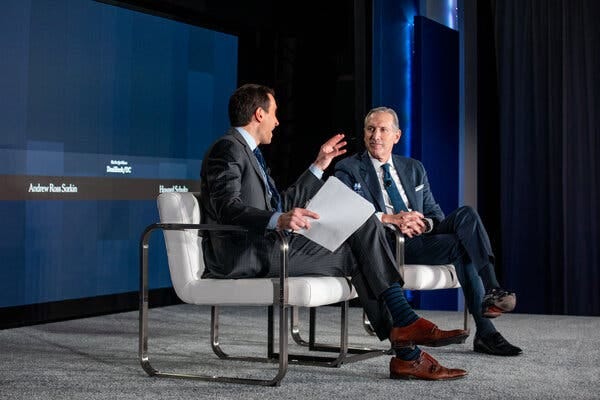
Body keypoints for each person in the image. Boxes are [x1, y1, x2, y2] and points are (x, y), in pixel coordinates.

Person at [200, 83, 469, 380]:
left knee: (360, 229)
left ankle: (407, 350)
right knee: (360, 242)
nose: (278, 122)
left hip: (268, 245)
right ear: (259, 114)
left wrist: (319, 164)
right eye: (275, 114)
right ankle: (406, 332)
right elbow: (227, 207)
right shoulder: (227, 149)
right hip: (245, 254)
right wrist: (278, 220)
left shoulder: (248, 153)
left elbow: (281, 203)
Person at [334, 106, 522, 357]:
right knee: (462, 250)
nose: (375, 135)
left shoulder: (414, 168)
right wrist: (394, 219)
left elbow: (435, 214)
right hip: (385, 244)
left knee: (466, 214)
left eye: (382, 129)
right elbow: (348, 212)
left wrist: (423, 224)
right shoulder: (349, 168)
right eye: (370, 129)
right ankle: (487, 333)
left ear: (396, 136)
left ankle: (493, 290)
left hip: (420, 235)